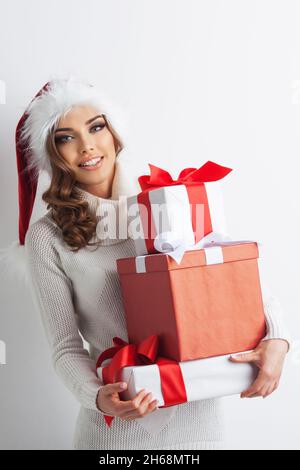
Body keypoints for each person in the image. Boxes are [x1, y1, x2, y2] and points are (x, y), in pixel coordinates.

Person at [1, 76, 292, 450]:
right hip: (114, 434)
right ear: (52, 152)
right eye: (65, 137)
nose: (87, 146)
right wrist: (96, 396)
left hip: (199, 423)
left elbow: (232, 280)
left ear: (114, 132)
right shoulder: (48, 236)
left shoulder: (167, 205)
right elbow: (65, 346)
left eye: (96, 127)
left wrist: (278, 340)